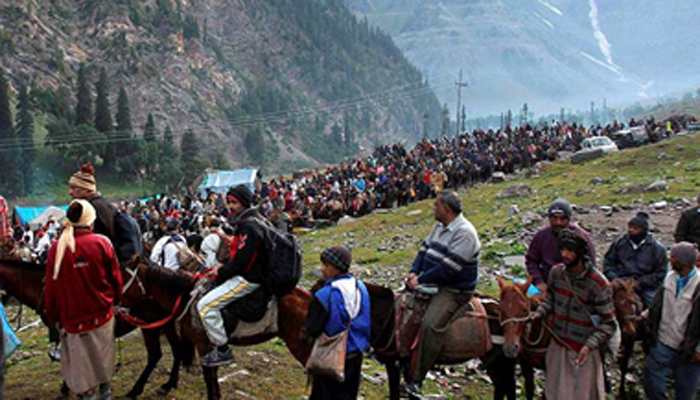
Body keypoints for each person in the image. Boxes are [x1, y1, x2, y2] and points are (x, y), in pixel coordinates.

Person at [43, 200, 123, 400]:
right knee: (102, 361)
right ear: (90, 220)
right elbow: (116, 279)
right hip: (102, 315)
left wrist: (53, 317)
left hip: (72, 321)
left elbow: (50, 289)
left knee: (82, 370)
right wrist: (116, 301)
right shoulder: (102, 243)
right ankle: (106, 392)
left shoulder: (56, 248)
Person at [404, 191, 480, 396]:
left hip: (453, 289)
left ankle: (417, 378)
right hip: (431, 281)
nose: (433, 209)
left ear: (446, 209)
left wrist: (419, 280)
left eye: (436, 206)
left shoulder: (465, 233)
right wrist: (413, 271)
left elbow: (449, 268)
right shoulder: (440, 226)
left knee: (430, 325)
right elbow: (424, 250)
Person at [531, 228, 616, 400]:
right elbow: (550, 299)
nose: (565, 254)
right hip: (558, 345)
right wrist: (538, 313)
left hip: (583, 351)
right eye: (562, 249)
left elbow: (608, 324)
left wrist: (589, 345)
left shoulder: (598, 283)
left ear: (580, 253)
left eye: (570, 251)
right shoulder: (556, 273)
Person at [196, 185, 269, 367]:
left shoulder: (249, 226)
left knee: (204, 306)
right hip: (252, 273)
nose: (230, 206)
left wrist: (220, 270)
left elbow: (242, 261)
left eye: (234, 203)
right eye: (228, 202)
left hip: (249, 279)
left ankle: (222, 349)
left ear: (244, 202)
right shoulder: (255, 220)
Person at [304, 246, 371, 400]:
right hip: (356, 353)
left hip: (331, 356)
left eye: (325, 265)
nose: (322, 269)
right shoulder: (361, 287)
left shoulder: (324, 295)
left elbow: (313, 328)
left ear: (336, 267)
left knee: (324, 394)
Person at [643, 242, 700, 400]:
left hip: (689, 348)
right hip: (663, 340)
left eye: (673, 258)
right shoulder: (670, 277)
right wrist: (645, 316)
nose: (670, 260)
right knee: (652, 380)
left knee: (685, 390)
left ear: (682, 261)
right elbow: (658, 304)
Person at [526, 198, 596, 293]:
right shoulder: (541, 236)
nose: (558, 222)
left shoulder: (581, 237)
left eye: (562, 219)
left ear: (568, 219)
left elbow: (590, 266)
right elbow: (531, 260)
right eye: (554, 218)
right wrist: (539, 282)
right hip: (545, 286)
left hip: (574, 288)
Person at [603, 212, 668, 305]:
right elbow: (608, 263)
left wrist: (639, 283)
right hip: (620, 281)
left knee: (654, 305)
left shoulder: (657, 248)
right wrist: (615, 278)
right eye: (630, 227)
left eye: (635, 228)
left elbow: (660, 273)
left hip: (645, 286)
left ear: (644, 230)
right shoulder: (619, 243)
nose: (631, 230)